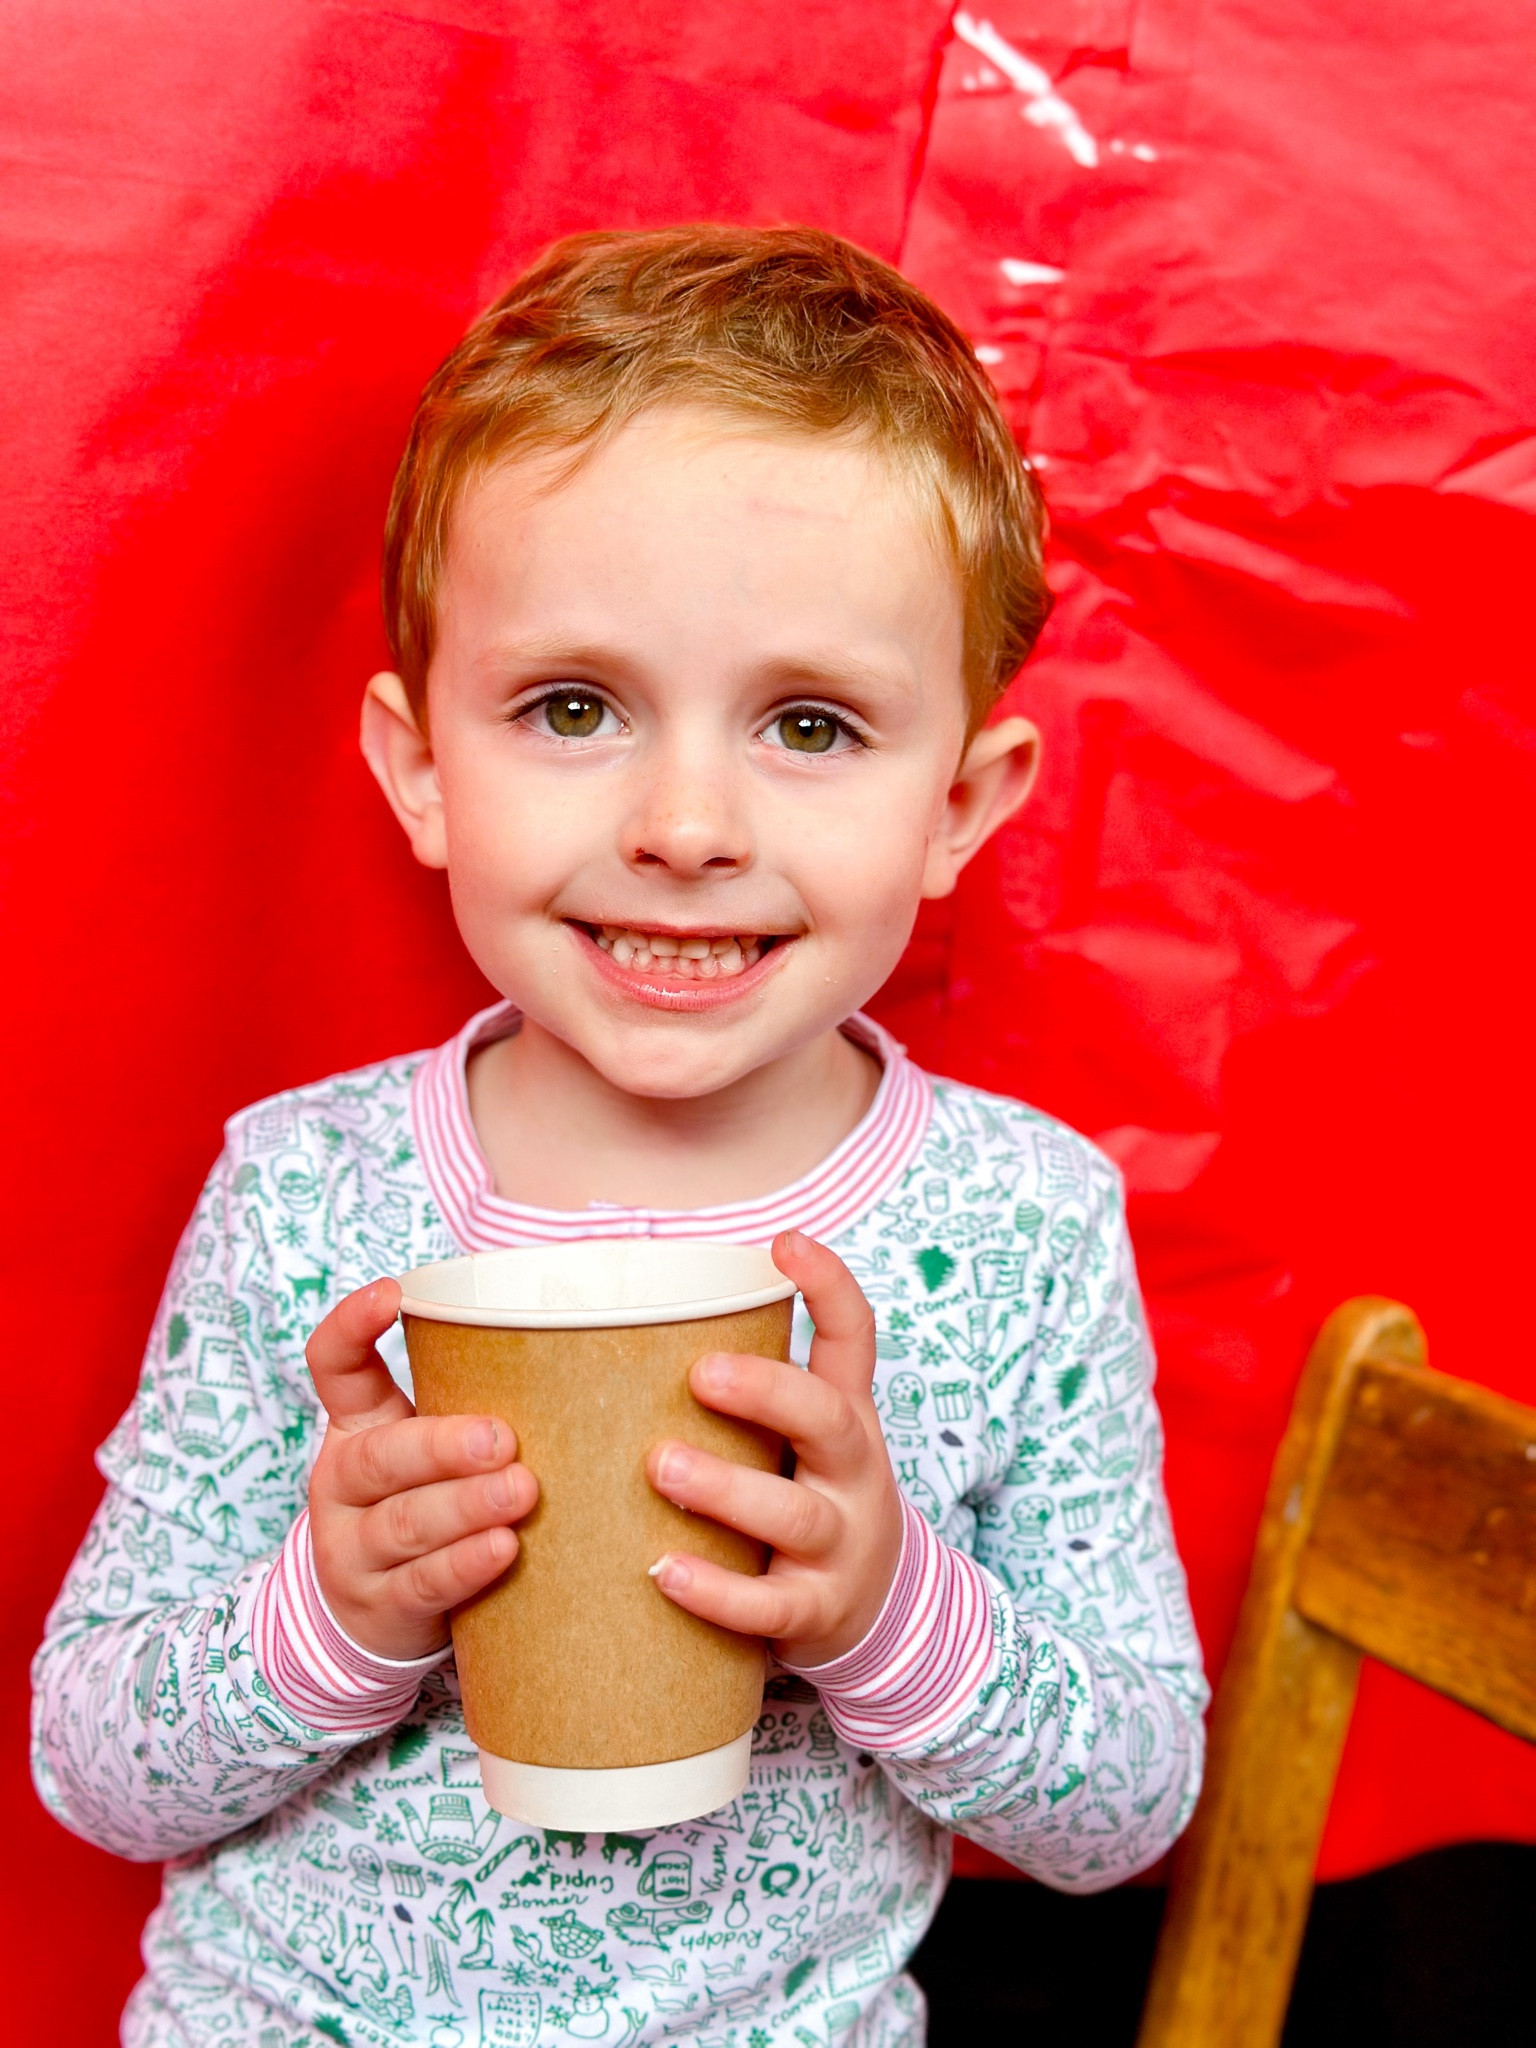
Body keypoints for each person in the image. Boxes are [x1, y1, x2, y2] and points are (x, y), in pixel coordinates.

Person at [32, 225, 1207, 2048]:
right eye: (573, 708)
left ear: (960, 805)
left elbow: (1129, 1811)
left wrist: (889, 1611)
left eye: (810, 723)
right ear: (425, 769)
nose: (685, 823)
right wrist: (333, 1612)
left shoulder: (1023, 1225)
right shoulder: (306, 1195)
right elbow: (90, 1768)